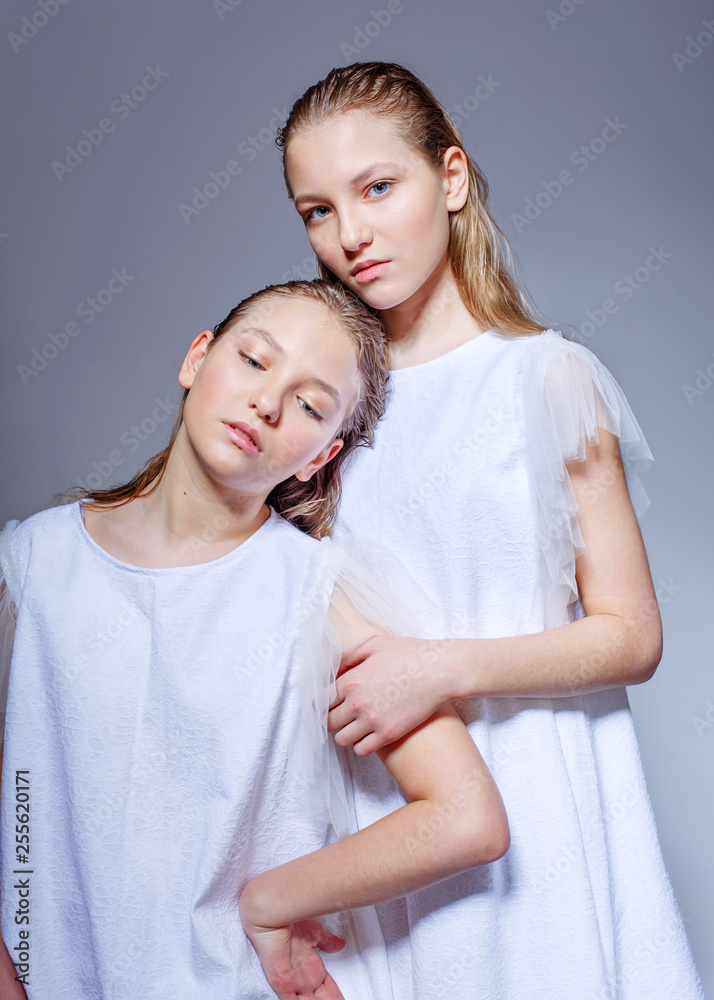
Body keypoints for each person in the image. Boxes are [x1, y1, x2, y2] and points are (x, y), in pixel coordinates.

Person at [276, 62, 705, 999]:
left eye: (378, 187)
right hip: (384, 816)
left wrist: (440, 667)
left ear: (453, 179)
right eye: (316, 209)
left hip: (538, 799)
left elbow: (633, 634)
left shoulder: (545, 377)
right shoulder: (318, 413)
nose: (350, 234)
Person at [0, 279, 510, 1000]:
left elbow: (468, 817)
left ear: (319, 456)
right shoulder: (33, 561)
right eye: (254, 361)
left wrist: (271, 899)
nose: (267, 404)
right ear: (197, 358)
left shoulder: (314, 592)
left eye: (308, 404)